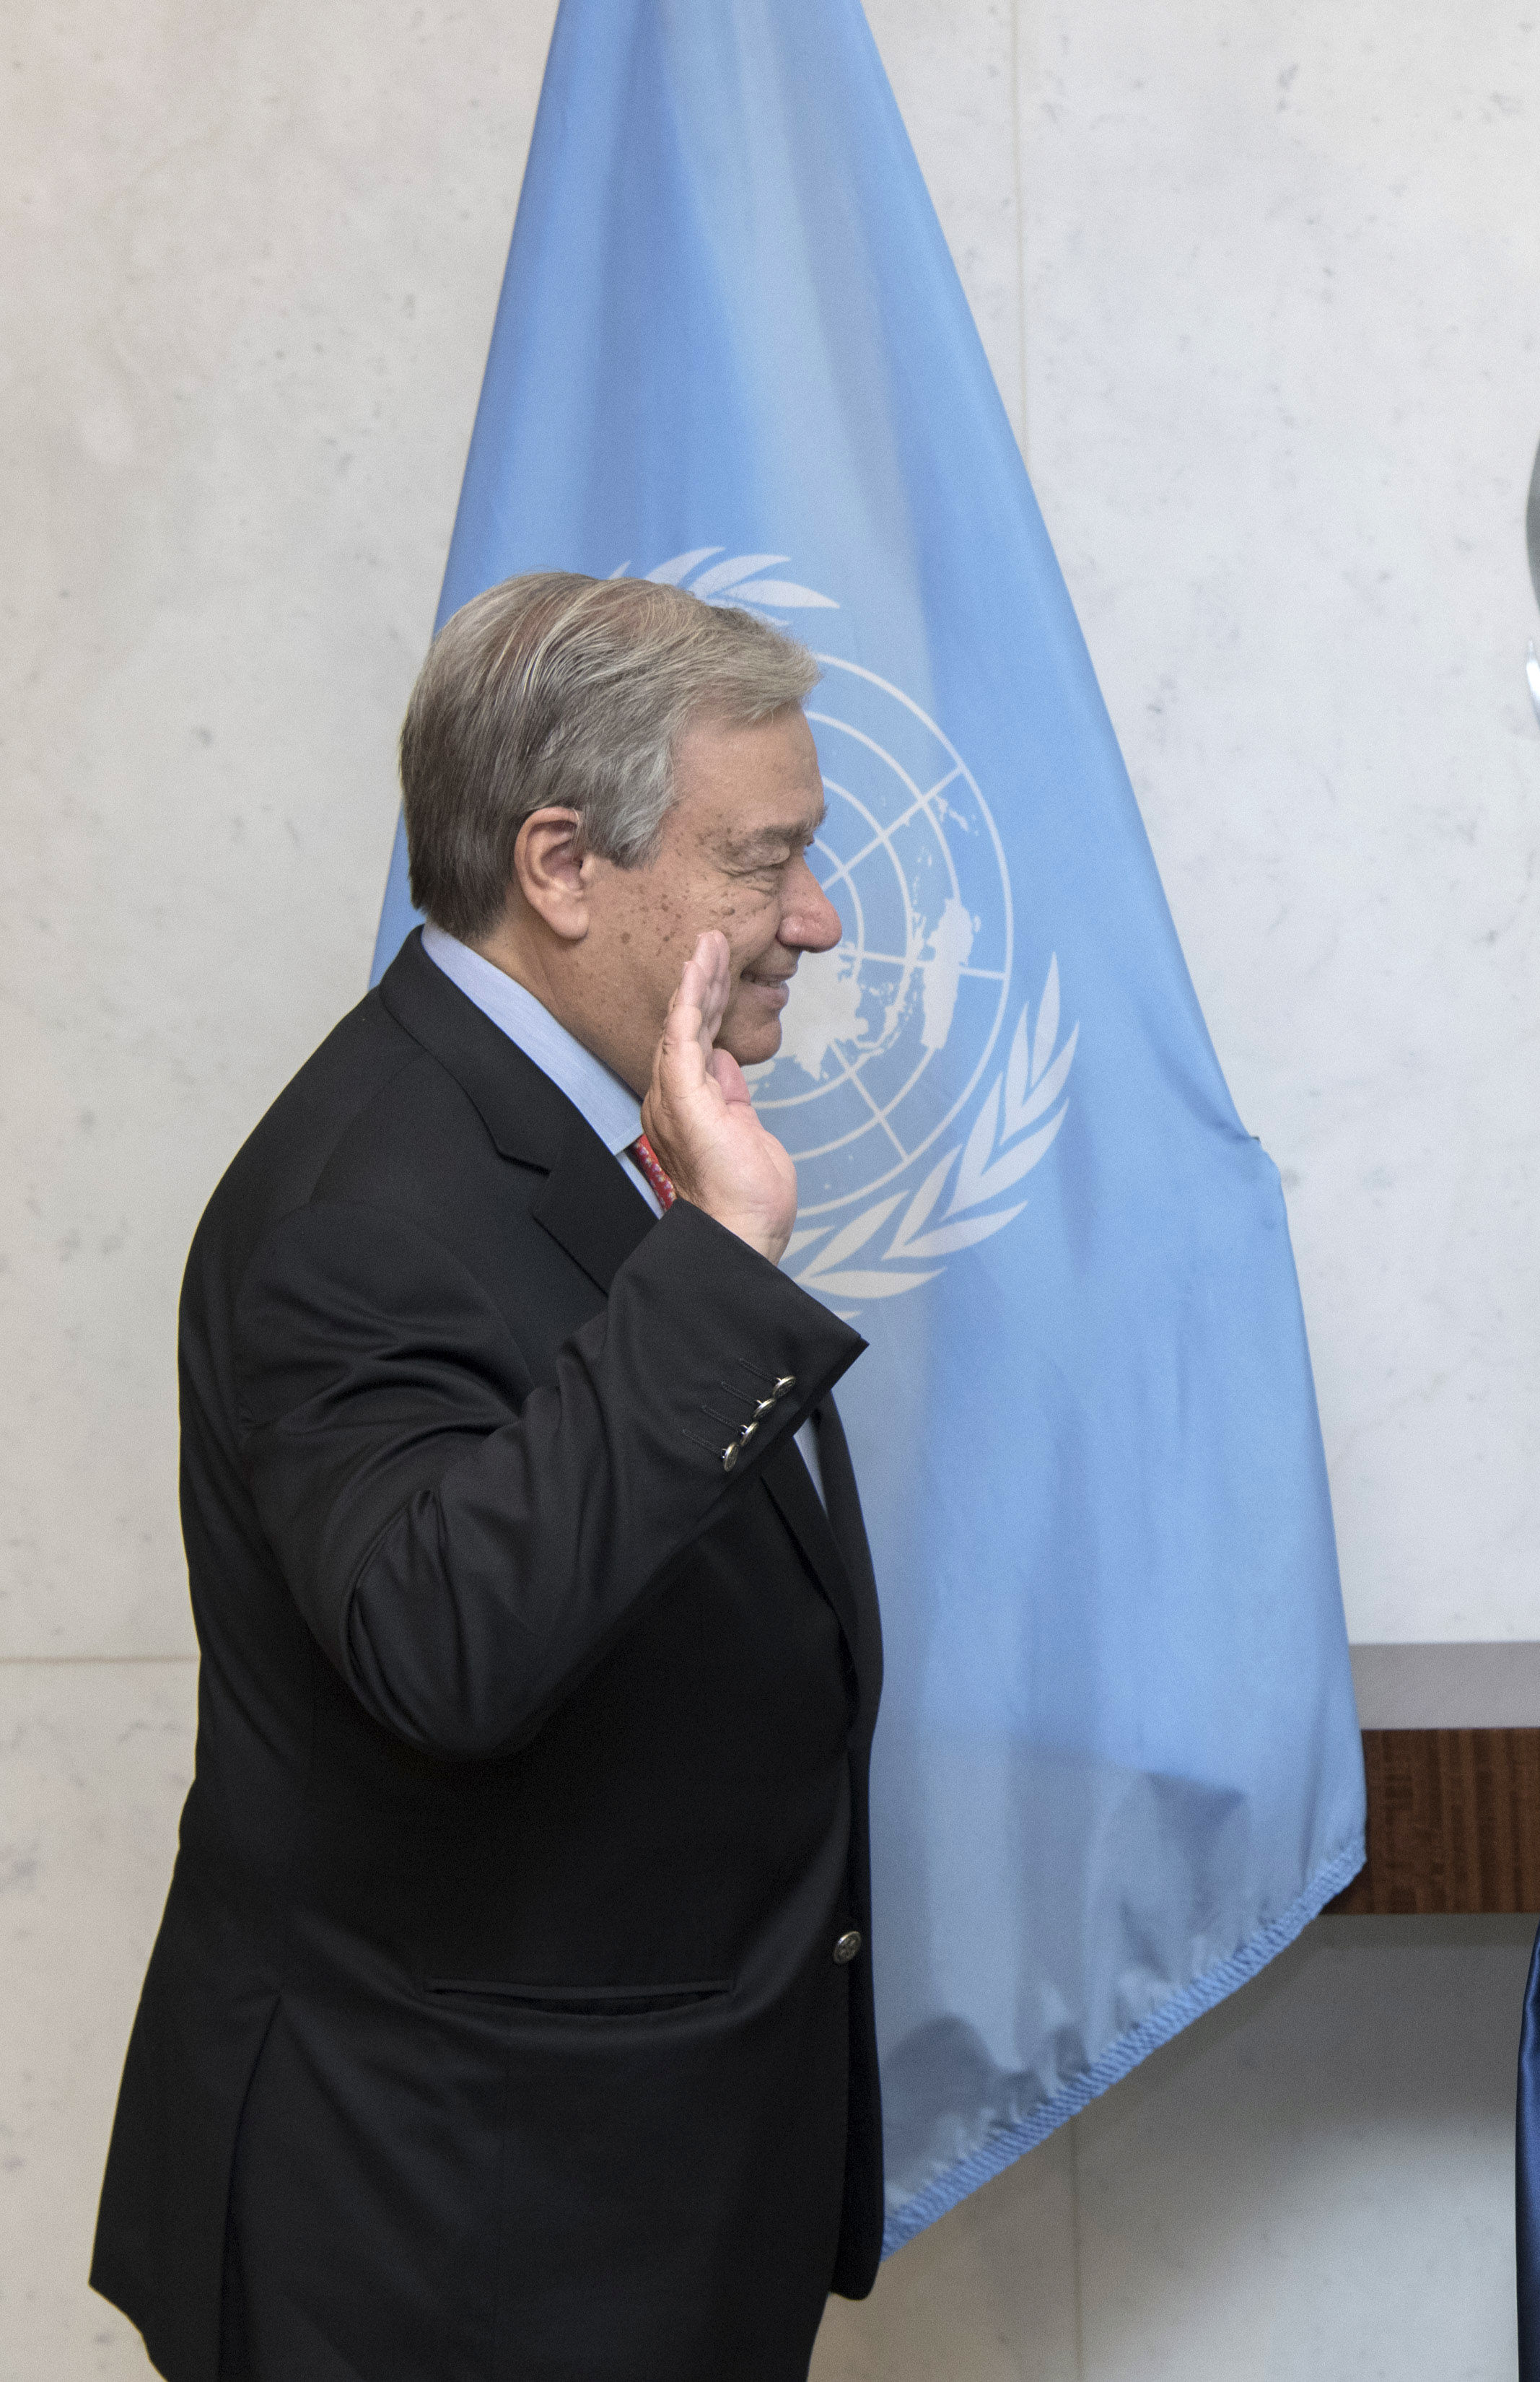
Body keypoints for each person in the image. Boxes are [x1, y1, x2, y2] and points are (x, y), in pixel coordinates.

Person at [92, 573, 885, 2381]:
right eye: (763, 861)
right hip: (443, 2242)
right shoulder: (360, 1208)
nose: (814, 920)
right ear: (560, 864)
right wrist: (728, 1268)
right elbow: (450, 1646)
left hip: (605, 2201)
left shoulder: (571, 1130)